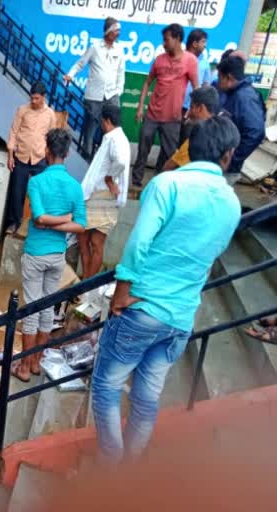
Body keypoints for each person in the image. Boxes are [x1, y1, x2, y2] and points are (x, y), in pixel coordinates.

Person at [91, 115, 242, 463]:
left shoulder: (168, 185)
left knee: (106, 387)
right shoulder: (232, 203)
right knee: (146, 398)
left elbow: (137, 243)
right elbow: (209, 255)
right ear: (227, 155)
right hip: (181, 317)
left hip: (142, 307)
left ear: (191, 147)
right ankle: (131, 466)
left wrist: (120, 293)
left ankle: (112, 471)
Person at [12, 129, 87, 382]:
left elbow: (40, 218)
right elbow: (80, 225)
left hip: (35, 253)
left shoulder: (36, 182)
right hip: (57, 256)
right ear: (66, 154)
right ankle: (35, 363)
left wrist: (48, 223)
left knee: (31, 310)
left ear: (46, 152)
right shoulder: (75, 187)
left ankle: (23, 367)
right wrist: (65, 219)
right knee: (47, 311)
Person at [132, 24, 199, 188]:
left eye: (166, 39)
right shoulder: (159, 60)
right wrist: (141, 108)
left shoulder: (190, 60)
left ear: (177, 39)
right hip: (152, 115)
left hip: (173, 118)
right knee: (143, 149)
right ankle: (136, 181)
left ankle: (160, 181)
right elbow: (147, 83)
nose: (164, 43)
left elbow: (196, 88)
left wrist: (192, 109)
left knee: (169, 153)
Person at [77, 104, 130, 279]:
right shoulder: (116, 137)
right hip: (97, 196)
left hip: (102, 197)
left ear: (106, 120)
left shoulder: (115, 139)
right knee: (84, 238)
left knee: (95, 242)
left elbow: (120, 162)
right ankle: (84, 282)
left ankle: (85, 286)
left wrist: (109, 178)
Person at [64, 17, 126, 157]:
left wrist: (118, 91)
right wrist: (70, 75)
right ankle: (86, 158)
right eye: (116, 30)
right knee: (90, 129)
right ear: (109, 31)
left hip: (112, 96)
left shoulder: (120, 50)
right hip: (94, 96)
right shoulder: (95, 47)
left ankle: (106, 159)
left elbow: (121, 73)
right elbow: (80, 64)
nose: (118, 33)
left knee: (112, 130)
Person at [5, 82, 57, 235]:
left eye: (37, 99)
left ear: (43, 97)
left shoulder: (50, 115)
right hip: (21, 157)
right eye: (32, 98)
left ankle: (40, 222)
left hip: (40, 158)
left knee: (41, 192)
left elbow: (51, 138)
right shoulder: (22, 110)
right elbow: (13, 132)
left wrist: (50, 160)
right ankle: (14, 223)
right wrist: (10, 156)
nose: (34, 102)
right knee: (17, 192)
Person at [216, 55, 266, 185]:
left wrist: (232, 159)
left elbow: (256, 132)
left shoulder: (244, 97)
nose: (218, 81)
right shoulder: (233, 93)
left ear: (229, 78)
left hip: (226, 168)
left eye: (219, 77)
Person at [164, 86, 219, 171]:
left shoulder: (198, 136)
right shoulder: (222, 132)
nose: (188, 114)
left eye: (191, 107)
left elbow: (169, 166)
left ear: (201, 108)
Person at [180, 29, 212, 143]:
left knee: (185, 144)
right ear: (194, 43)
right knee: (168, 143)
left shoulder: (205, 63)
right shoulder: (179, 58)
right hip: (175, 107)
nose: (205, 45)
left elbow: (206, 86)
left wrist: (195, 109)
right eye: (203, 42)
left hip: (191, 111)